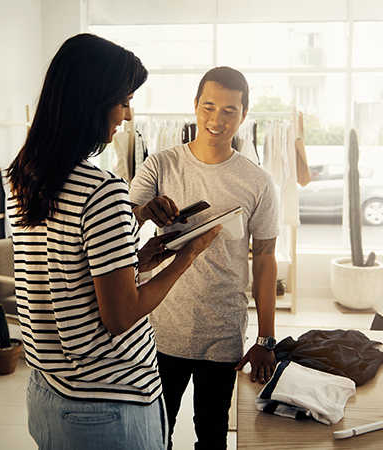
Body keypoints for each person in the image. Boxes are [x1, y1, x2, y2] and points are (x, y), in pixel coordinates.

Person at [5, 33, 220, 450]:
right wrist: (187, 256)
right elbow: (121, 316)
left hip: (49, 390)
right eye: (122, 100)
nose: (127, 113)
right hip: (108, 402)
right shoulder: (103, 190)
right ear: (91, 100)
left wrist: (137, 253)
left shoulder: (23, 177)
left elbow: (65, 271)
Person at [130, 66, 280, 450]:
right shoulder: (160, 165)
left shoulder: (258, 182)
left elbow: (264, 259)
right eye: (209, 106)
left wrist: (266, 337)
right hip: (163, 327)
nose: (217, 119)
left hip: (223, 331)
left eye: (230, 110)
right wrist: (149, 211)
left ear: (244, 115)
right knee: (155, 432)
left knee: (212, 435)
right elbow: (120, 220)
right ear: (195, 106)